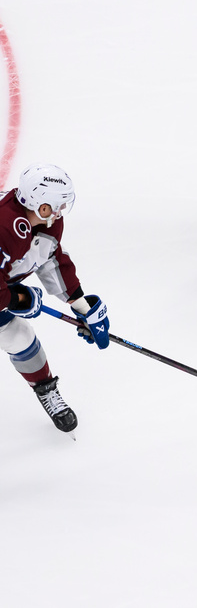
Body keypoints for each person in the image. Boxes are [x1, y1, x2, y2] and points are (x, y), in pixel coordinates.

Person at [0, 164, 110, 435]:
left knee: (18, 336)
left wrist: (82, 306)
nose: (61, 212)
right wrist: (19, 298)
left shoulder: (46, 222)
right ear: (42, 206)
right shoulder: (5, 226)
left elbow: (49, 258)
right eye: (57, 205)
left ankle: (45, 389)